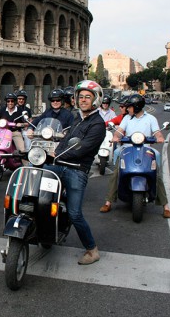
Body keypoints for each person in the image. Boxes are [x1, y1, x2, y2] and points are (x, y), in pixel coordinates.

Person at [45, 80, 106, 265]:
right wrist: (53, 152)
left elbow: (82, 148)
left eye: (88, 97)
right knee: (38, 181)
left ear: (95, 99)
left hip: (77, 170)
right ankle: (43, 230)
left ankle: (91, 249)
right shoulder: (77, 118)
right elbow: (67, 140)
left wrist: (58, 154)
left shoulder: (98, 124)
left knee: (74, 213)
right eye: (81, 97)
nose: (84, 100)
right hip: (60, 164)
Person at [99, 94, 170, 218]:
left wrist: (159, 138)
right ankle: (108, 201)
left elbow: (157, 133)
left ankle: (165, 206)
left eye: (130, 107)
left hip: (146, 148)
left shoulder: (151, 119)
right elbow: (119, 132)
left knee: (157, 173)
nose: (127, 109)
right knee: (116, 172)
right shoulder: (127, 118)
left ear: (137, 107)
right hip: (127, 148)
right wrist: (116, 138)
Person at [0, 93, 28, 164]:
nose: (10, 103)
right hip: (2, 132)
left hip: (15, 132)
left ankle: (26, 167)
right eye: (8, 101)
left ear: (15, 102)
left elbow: (27, 123)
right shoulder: (2, 110)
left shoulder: (19, 110)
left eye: (12, 101)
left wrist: (20, 124)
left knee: (22, 150)